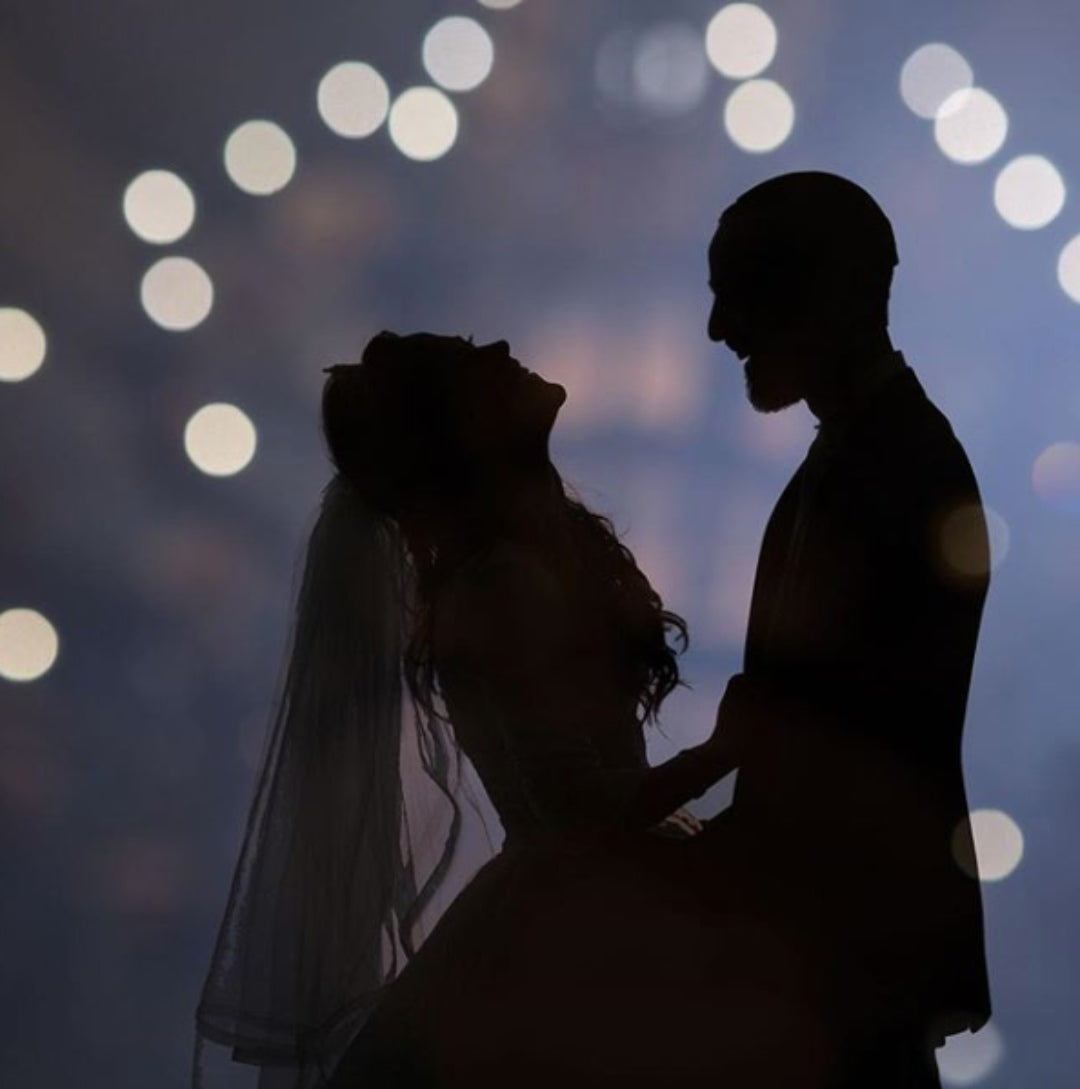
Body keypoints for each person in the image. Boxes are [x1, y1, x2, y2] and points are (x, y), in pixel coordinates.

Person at [193, 330, 817, 1089]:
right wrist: (723, 751)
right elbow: (575, 810)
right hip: (578, 938)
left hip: (587, 911)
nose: (499, 346)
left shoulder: (511, 568)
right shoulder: (497, 588)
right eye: (469, 360)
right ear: (463, 432)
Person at [702, 171, 993, 1087]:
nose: (718, 328)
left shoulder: (896, 469)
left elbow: (847, 737)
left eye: (737, 293)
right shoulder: (877, 451)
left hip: (839, 948)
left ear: (820, 298)